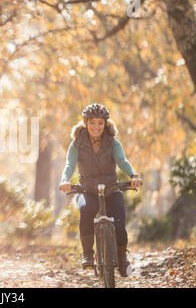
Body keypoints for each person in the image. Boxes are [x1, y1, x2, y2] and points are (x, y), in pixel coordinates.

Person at [59, 103, 142, 277]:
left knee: (119, 221)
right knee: (86, 210)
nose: (96, 127)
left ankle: (121, 258)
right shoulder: (76, 144)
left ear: (106, 124)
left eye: (100, 123)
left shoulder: (113, 143)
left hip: (111, 189)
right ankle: (88, 254)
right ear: (85, 123)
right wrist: (65, 180)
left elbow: (122, 160)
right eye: (92, 123)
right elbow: (69, 164)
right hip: (87, 190)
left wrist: (133, 175)